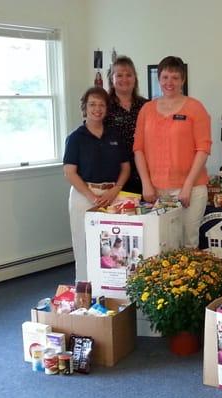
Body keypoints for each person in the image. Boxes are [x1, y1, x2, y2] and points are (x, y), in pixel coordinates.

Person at [134, 56, 211, 248]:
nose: (170, 82)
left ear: (183, 80)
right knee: (161, 244)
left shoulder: (195, 108)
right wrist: (146, 184)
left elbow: (203, 149)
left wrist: (187, 185)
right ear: (158, 79)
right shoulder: (147, 109)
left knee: (188, 244)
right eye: (165, 77)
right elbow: (138, 149)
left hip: (191, 189)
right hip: (156, 190)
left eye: (175, 77)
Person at [63, 87, 130, 281]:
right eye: (92, 104)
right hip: (84, 195)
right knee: (84, 245)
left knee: (113, 246)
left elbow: (125, 167)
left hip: (112, 195)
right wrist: (91, 196)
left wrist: (116, 189)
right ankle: (84, 292)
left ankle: (111, 292)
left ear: (107, 109)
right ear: (85, 108)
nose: (97, 109)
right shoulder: (76, 138)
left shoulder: (114, 135)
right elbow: (70, 172)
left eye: (101, 105)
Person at [104, 56, 148, 194]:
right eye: (119, 75)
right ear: (112, 79)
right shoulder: (104, 106)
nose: (124, 79)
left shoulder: (147, 106)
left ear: (135, 78)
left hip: (144, 174)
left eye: (129, 75)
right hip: (114, 175)